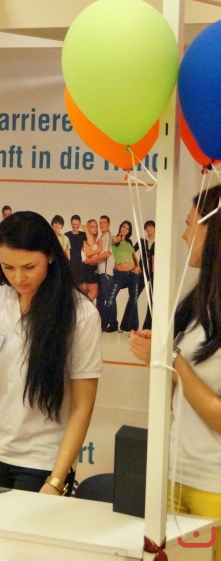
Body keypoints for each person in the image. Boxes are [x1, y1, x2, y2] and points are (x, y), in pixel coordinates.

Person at [0, 211, 101, 494]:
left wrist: (56, 480)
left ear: (50, 255)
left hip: (43, 462)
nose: (18, 277)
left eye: (29, 267)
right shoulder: (1, 298)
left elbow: (81, 407)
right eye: (8, 267)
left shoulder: (80, 315)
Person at [130, 185, 221, 559]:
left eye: (189, 224)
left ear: (213, 230)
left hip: (214, 486)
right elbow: (179, 389)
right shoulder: (200, 304)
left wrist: (172, 359)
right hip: (173, 476)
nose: (184, 235)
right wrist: (160, 359)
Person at [104, 220, 141, 333]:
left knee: (133, 301)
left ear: (129, 231)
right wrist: (119, 238)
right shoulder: (114, 239)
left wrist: (138, 266)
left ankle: (133, 329)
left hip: (132, 274)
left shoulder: (129, 243)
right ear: (120, 227)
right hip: (119, 274)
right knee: (110, 299)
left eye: (127, 228)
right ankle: (106, 324)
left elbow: (134, 256)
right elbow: (114, 241)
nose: (125, 229)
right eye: (124, 227)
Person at [137, 220, 155, 330]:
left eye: (150, 227)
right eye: (146, 228)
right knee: (134, 296)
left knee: (152, 299)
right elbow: (131, 250)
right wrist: (136, 265)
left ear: (154, 228)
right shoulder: (142, 240)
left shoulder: (159, 241)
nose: (148, 229)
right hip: (142, 271)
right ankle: (129, 326)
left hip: (154, 273)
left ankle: (147, 327)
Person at [81, 219, 102, 307]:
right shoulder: (87, 240)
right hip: (88, 268)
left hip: (90, 269)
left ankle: (82, 310)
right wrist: (99, 249)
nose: (95, 228)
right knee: (94, 293)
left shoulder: (94, 240)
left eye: (96, 226)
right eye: (92, 226)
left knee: (84, 293)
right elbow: (88, 253)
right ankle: (83, 309)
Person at [65, 215, 88, 294]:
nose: (75, 226)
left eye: (77, 224)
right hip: (69, 263)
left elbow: (91, 242)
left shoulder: (83, 234)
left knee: (82, 286)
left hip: (80, 263)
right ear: (71, 224)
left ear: (80, 224)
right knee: (71, 286)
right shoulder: (66, 235)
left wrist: (86, 230)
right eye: (73, 224)